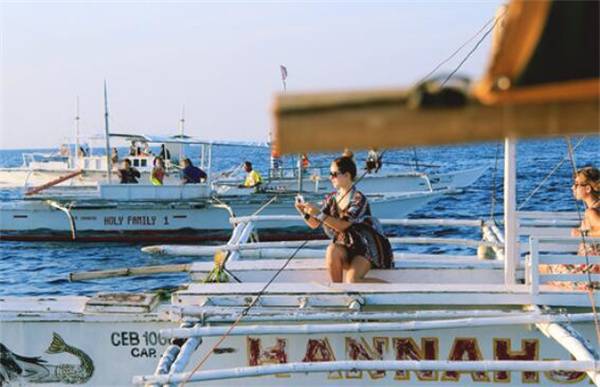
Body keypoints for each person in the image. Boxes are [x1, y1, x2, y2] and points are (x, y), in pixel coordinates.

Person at [295, 156, 393, 283]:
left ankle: (389, 288)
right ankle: (339, 292)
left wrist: (319, 214)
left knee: (352, 280)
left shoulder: (359, 199)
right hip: (346, 247)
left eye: (334, 174)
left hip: (365, 249)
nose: (331, 177)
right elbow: (315, 224)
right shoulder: (331, 199)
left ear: (347, 175)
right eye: (330, 174)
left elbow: (343, 225)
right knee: (332, 249)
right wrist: (304, 212)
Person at [543, 166, 600, 289]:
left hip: (589, 277)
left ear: (588, 188)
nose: (572, 187)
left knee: (542, 266)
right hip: (590, 271)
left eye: (576, 184)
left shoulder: (592, 212)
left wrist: (583, 234)